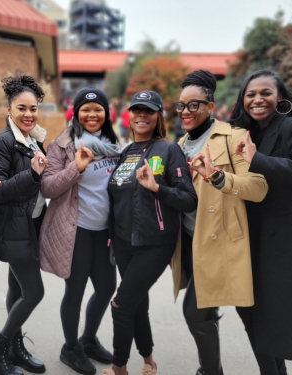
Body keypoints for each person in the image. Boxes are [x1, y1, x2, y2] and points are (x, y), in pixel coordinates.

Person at [230, 69, 292, 375]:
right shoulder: (242, 133)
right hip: (251, 235)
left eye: (265, 93)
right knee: (250, 310)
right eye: (250, 94)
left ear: (281, 98)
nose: (257, 99)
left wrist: (258, 160)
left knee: (275, 314)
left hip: (286, 239)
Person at [172, 70, 268, 375]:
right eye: (180, 106)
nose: (185, 112)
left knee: (196, 313)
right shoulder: (178, 144)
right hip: (189, 239)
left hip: (220, 241)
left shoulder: (234, 137)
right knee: (204, 311)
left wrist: (216, 176)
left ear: (210, 106)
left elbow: (258, 188)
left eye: (193, 105)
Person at [104, 90, 197, 375]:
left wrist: (157, 188)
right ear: (129, 115)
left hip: (155, 242)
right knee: (136, 301)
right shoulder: (124, 151)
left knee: (121, 304)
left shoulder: (169, 151)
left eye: (149, 110)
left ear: (158, 116)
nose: (141, 115)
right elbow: (115, 197)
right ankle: (148, 359)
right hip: (122, 241)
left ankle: (119, 366)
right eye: (137, 110)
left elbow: (189, 199)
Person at [40, 88, 120, 375]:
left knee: (107, 288)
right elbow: (48, 187)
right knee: (75, 291)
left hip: (104, 230)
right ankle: (70, 347)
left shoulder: (114, 143)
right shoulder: (61, 145)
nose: (92, 114)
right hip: (77, 230)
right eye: (85, 109)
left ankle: (88, 340)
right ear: (75, 113)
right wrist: (76, 167)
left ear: (106, 113)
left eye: (98, 108)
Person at [0, 76, 49, 375]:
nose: (28, 114)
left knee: (17, 287)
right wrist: (33, 176)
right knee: (34, 292)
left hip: (29, 224)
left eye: (33, 108)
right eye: (21, 108)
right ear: (9, 108)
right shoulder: (2, 142)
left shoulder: (33, 137)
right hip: (13, 226)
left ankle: (15, 348)